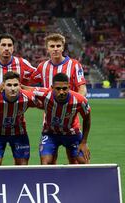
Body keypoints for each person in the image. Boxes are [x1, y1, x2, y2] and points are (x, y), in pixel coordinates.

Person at [30, 33, 87, 163]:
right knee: (49, 162)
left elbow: (82, 88)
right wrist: (37, 102)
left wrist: (75, 103)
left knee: (76, 162)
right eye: (52, 46)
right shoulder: (42, 67)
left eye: (58, 46)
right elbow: (31, 87)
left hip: (70, 121)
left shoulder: (74, 65)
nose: (55, 48)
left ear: (63, 47)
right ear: (47, 48)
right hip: (50, 123)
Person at [0, 33, 36, 148]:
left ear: (13, 48)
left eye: (9, 45)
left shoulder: (22, 63)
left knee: (21, 157)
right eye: (3, 45)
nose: (6, 48)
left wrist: (24, 87)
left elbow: (37, 77)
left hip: (17, 117)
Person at [32, 73, 91, 164]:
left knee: (83, 162)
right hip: (50, 134)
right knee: (45, 163)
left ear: (69, 87)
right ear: (52, 88)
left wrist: (83, 142)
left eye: (64, 88)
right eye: (58, 89)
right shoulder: (44, 94)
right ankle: (52, 178)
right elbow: (24, 89)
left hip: (72, 134)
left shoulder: (80, 100)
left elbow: (87, 119)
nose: (61, 92)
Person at [0, 72, 38, 165]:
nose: (13, 88)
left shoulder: (28, 98)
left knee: (22, 165)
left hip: (19, 133)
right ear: (3, 86)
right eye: (9, 85)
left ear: (20, 86)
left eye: (15, 85)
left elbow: (44, 101)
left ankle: (20, 180)